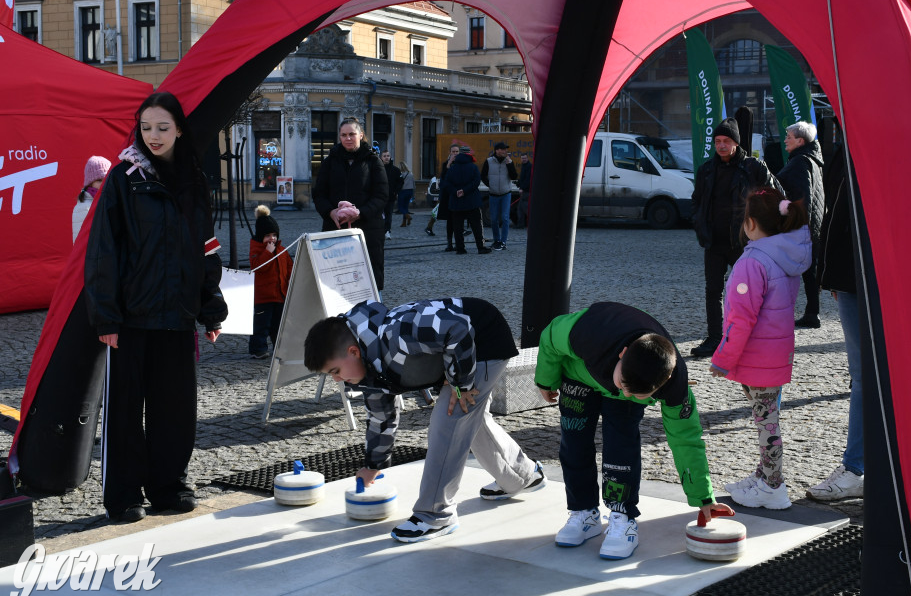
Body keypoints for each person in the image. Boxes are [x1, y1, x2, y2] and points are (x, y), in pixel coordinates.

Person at [84, 91, 227, 523]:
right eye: (146, 127)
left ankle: (169, 487)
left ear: (179, 129)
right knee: (126, 412)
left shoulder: (193, 179)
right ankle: (124, 495)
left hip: (177, 316)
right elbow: (103, 250)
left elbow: (206, 246)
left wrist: (211, 307)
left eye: (163, 127)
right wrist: (106, 315)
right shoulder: (123, 178)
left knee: (175, 410)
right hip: (131, 318)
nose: (154, 136)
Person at [304, 297, 545, 542]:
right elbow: (380, 417)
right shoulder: (369, 368)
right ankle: (523, 476)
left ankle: (436, 514)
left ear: (353, 351)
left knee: (449, 420)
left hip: (483, 337)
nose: (336, 380)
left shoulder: (398, 334)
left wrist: (460, 384)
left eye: (335, 371)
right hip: (460, 349)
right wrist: (373, 465)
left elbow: (457, 327)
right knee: (471, 418)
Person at [534, 302, 732, 560]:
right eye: (624, 384)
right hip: (578, 375)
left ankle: (622, 516)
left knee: (621, 447)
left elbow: (686, 439)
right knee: (574, 444)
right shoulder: (588, 332)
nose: (626, 393)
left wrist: (703, 497)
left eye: (638, 393)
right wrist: (546, 379)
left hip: (623, 376)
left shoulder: (675, 386)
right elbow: (550, 335)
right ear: (623, 353)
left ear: (664, 381)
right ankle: (583, 512)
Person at [710, 188, 811, 510]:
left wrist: (722, 359)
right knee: (765, 419)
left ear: (750, 223)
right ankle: (764, 475)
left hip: (756, 357)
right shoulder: (784, 257)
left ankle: (773, 486)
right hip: (774, 354)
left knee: (767, 423)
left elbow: (740, 319)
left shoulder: (753, 262)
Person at [690, 117, 783, 357]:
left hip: (744, 243)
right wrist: (699, 225)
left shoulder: (753, 168)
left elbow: (777, 196)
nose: (721, 145)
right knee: (713, 291)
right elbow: (697, 201)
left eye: (726, 141)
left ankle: (754, 337)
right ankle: (715, 338)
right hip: (713, 242)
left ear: (736, 143)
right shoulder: (706, 170)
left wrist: (761, 231)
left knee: (747, 292)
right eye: (717, 141)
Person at [806, 137, 865, 501]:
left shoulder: (864, 140)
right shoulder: (848, 143)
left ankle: (857, 467)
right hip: (851, 277)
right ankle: (860, 466)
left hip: (867, 276)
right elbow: (835, 211)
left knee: (866, 378)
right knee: (864, 378)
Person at [312, 118, 389, 290]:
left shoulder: (373, 161)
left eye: (352, 134)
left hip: (368, 230)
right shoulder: (330, 161)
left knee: (369, 281)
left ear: (360, 135)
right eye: (343, 135)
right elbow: (319, 194)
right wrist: (330, 212)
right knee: (336, 282)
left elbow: (381, 196)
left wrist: (361, 213)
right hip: (335, 229)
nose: (348, 138)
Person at [776, 121, 825, 328]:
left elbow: (802, 198)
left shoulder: (799, 162)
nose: (785, 140)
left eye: (789, 137)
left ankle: (784, 312)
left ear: (800, 141)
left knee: (789, 271)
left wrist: (796, 226)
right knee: (810, 272)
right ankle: (812, 312)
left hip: (802, 227)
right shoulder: (812, 159)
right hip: (813, 225)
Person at [248, 205, 293, 360]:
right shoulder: (256, 250)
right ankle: (258, 349)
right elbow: (258, 267)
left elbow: (289, 266)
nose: (272, 238)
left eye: (274, 235)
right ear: (260, 236)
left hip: (280, 295)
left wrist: (290, 279)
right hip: (263, 297)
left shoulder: (281, 250)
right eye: (267, 235)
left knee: (278, 325)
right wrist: (267, 252)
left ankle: (279, 347)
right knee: (261, 325)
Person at [446, 152, 491, 254]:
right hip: (472, 201)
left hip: (456, 202)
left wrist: (456, 191)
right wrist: (464, 191)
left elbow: (447, 183)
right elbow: (476, 181)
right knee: (477, 226)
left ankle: (460, 248)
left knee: (457, 227)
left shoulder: (452, 169)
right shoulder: (473, 167)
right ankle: (480, 247)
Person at [481, 142, 517, 250]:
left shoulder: (509, 161)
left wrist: (510, 164)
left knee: (505, 218)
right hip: (493, 194)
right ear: (497, 150)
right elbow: (482, 175)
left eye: (506, 149)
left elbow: (514, 176)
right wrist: (490, 185)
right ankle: (496, 240)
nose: (505, 151)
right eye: (503, 149)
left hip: (506, 193)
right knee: (494, 219)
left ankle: (503, 242)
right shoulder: (489, 161)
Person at [72, 155, 111, 243]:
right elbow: (83, 243)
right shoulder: (85, 207)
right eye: (99, 180)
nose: (103, 184)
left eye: (106, 179)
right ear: (90, 183)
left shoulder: (107, 200)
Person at [381, 150, 402, 239]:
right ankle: (380, 230)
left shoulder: (395, 170)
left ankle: (387, 231)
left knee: (388, 214)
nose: (386, 157)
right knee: (378, 214)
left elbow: (400, 182)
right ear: (381, 158)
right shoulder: (378, 169)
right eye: (384, 156)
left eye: (388, 156)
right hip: (379, 196)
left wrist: (395, 192)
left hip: (390, 196)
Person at [516, 152, 532, 229]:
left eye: (525, 158)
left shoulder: (529, 166)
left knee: (525, 209)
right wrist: (518, 183)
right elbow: (523, 178)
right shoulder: (524, 166)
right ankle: (521, 224)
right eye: (522, 158)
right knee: (520, 209)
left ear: (527, 158)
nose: (524, 159)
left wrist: (522, 188)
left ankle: (528, 223)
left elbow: (528, 179)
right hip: (525, 190)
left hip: (526, 191)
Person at [397, 161, 415, 228]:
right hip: (410, 191)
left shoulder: (401, 174)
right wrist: (413, 193)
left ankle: (408, 216)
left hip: (402, 191)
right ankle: (404, 222)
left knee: (400, 207)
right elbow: (414, 184)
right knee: (406, 207)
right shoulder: (410, 174)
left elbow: (398, 183)